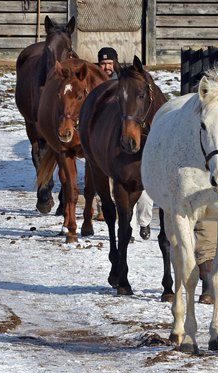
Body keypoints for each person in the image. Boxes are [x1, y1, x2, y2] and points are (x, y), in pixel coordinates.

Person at [94, 47, 153, 240]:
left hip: (133, 138)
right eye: (103, 63)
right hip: (113, 145)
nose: (106, 67)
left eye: (109, 63)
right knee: (119, 189)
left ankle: (144, 222)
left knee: (142, 189)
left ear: (115, 64)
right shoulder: (97, 85)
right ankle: (127, 226)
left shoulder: (128, 83)